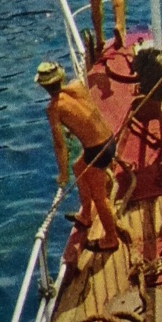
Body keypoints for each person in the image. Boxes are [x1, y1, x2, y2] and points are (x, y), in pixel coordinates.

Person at [35, 61, 120, 252]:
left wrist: (62, 175)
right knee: (78, 167)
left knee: (100, 197)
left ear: (42, 86)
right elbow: (82, 114)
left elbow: (59, 145)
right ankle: (86, 216)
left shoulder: (53, 109)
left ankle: (111, 238)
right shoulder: (77, 86)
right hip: (109, 139)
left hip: (98, 150)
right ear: (61, 78)